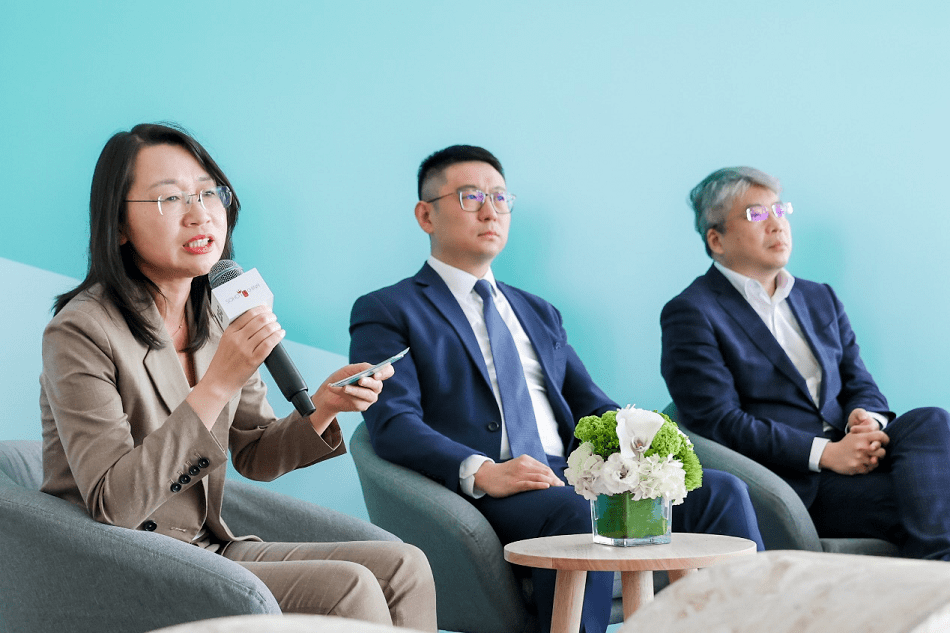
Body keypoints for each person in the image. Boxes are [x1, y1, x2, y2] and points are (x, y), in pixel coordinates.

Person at [348, 145, 764, 633]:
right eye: (470, 197)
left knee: (722, 492)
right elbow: (393, 423)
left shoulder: (537, 311)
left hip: (572, 475)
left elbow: (592, 404)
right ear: (426, 215)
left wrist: (644, 448)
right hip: (493, 491)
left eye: (500, 198)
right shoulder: (388, 309)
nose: (490, 211)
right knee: (575, 512)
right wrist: (483, 471)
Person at [40, 123, 437, 629]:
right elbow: (114, 504)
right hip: (122, 561)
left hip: (207, 545)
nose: (200, 213)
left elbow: (254, 453)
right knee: (351, 588)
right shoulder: (80, 330)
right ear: (118, 225)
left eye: (209, 192)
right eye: (170, 198)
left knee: (405, 566)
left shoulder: (219, 311)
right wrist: (218, 384)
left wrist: (325, 406)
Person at [660, 166, 950, 560]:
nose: (777, 224)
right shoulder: (692, 312)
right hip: (801, 481)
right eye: (756, 214)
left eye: (780, 210)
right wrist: (826, 454)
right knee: (931, 500)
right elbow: (719, 422)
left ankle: (936, 571)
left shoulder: (819, 297)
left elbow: (858, 381)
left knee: (931, 420)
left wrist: (865, 419)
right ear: (717, 239)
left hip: (857, 450)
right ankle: (940, 573)